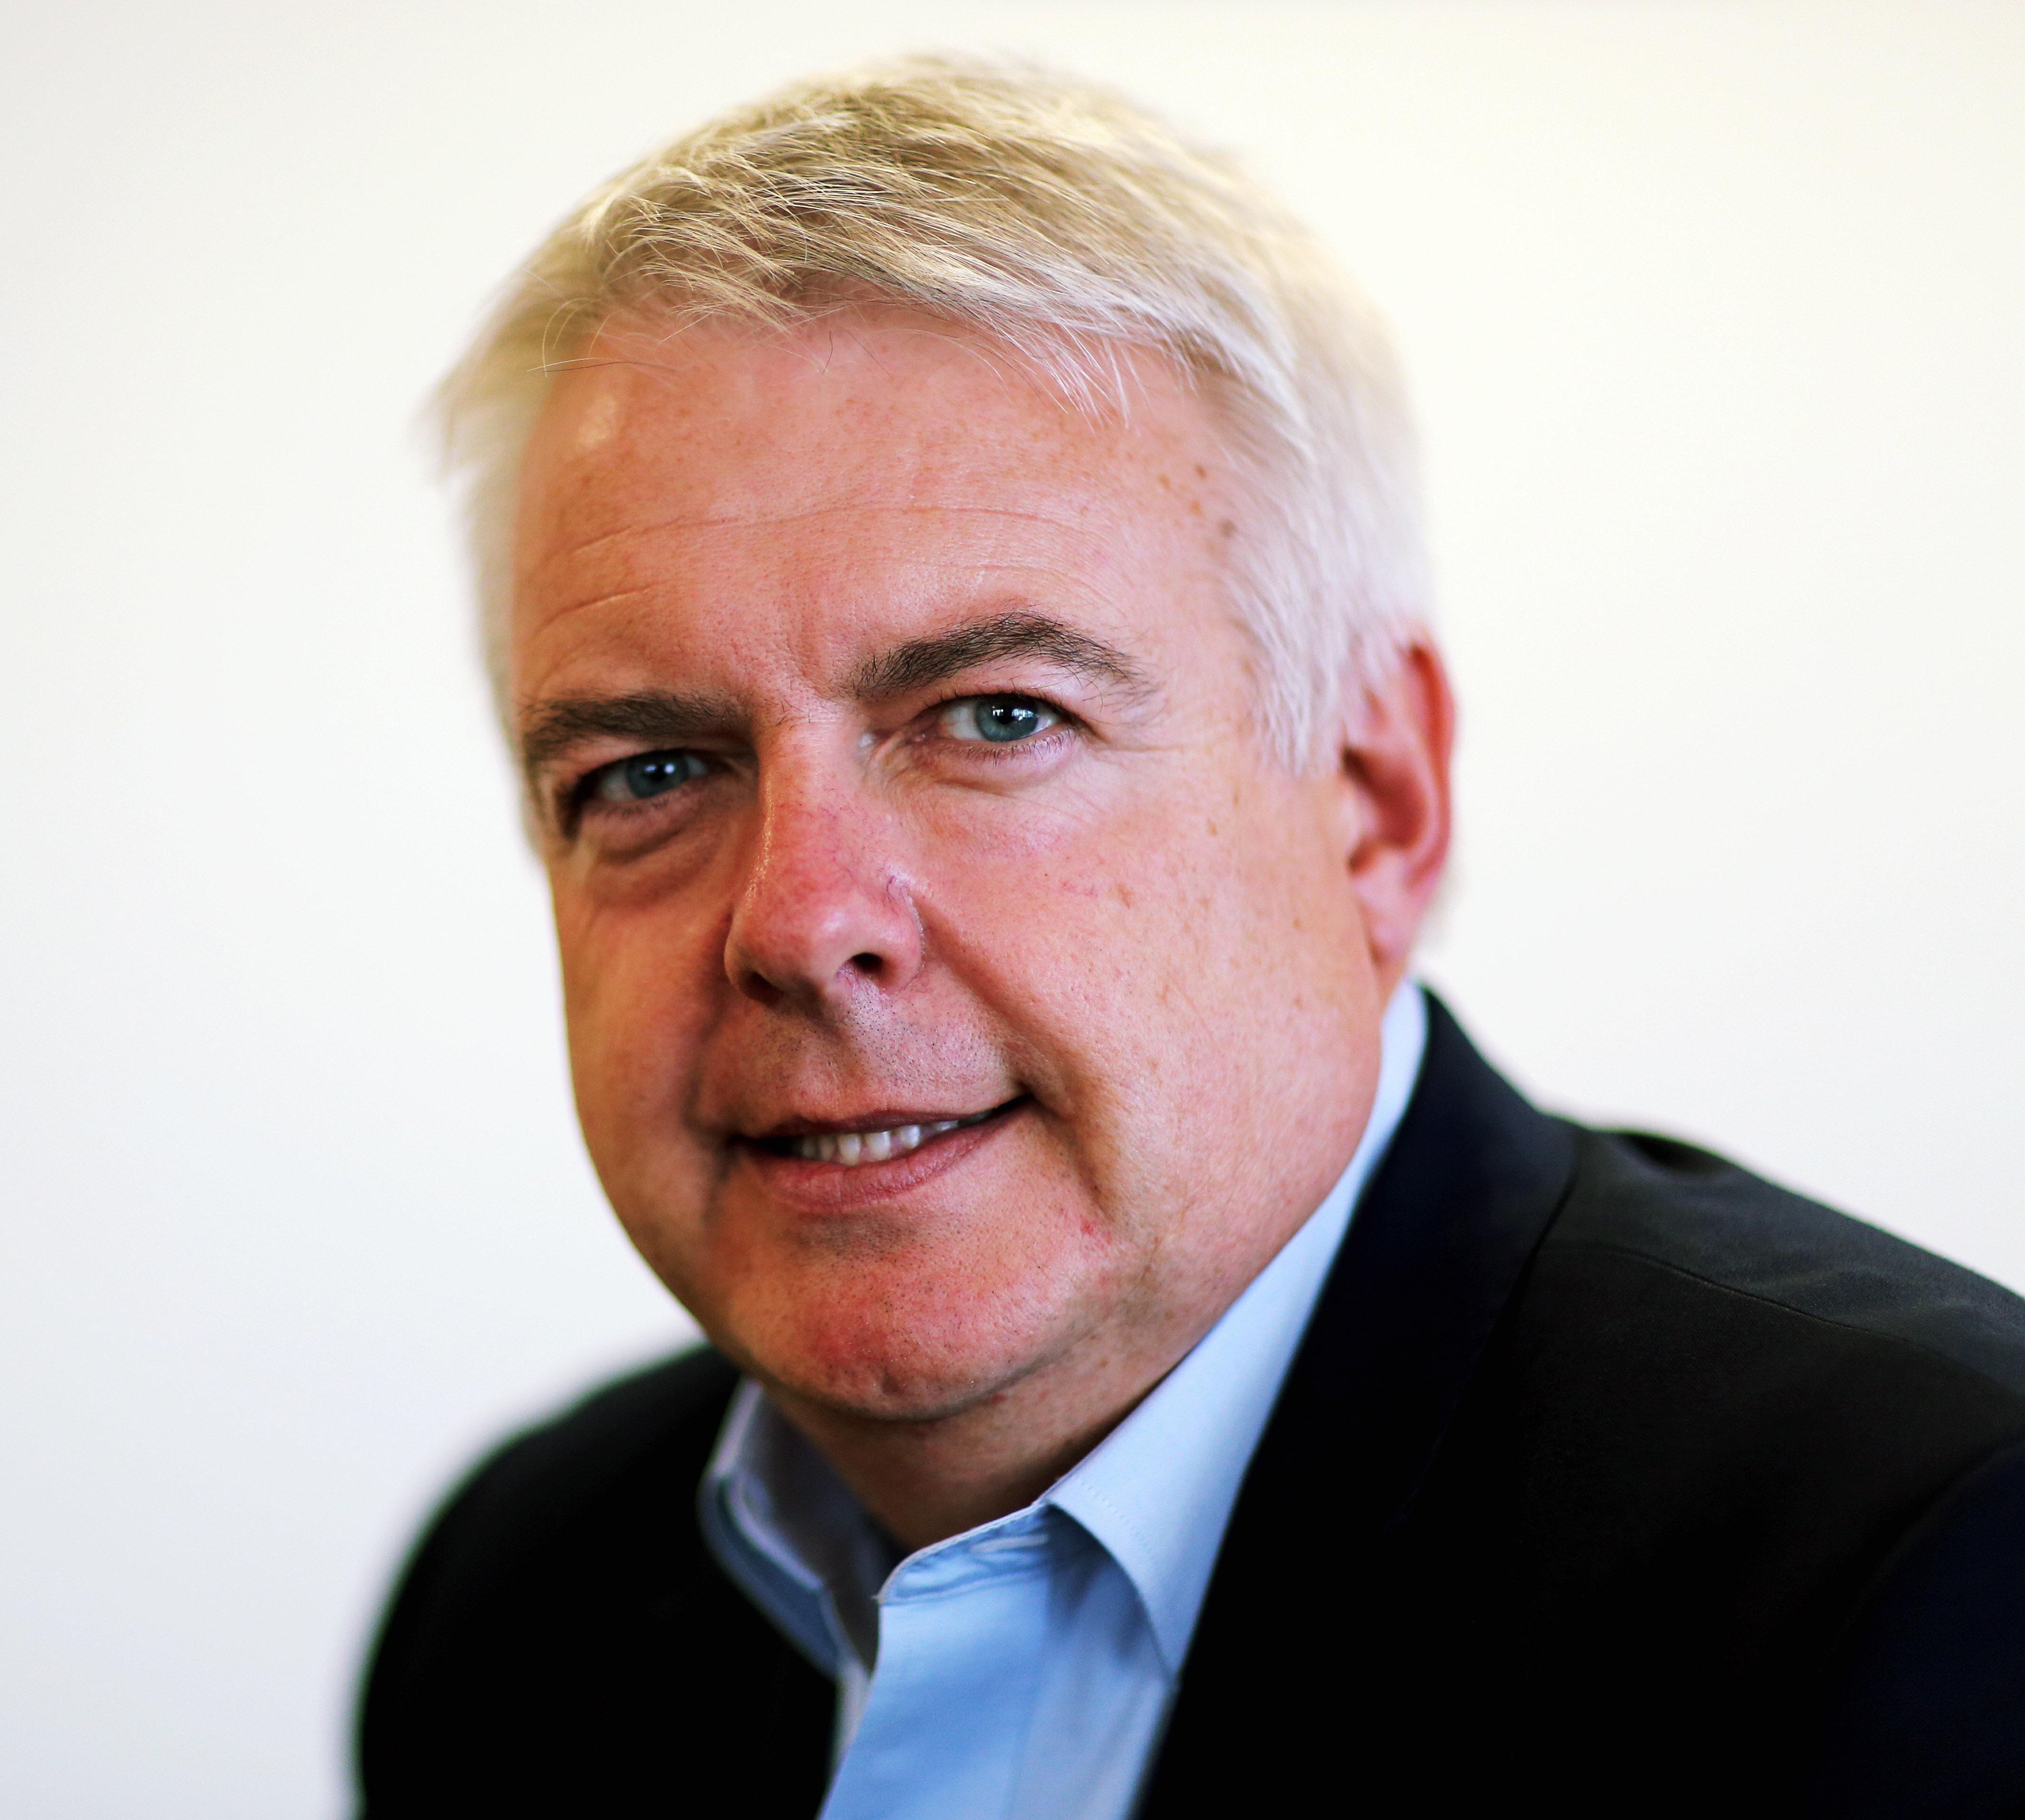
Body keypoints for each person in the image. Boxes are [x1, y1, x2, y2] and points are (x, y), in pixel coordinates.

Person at [355, 56, 2025, 1820]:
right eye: (657, 769)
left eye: (996, 719)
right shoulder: (519, 1605)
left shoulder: (1929, 1580)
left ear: (1374, 800)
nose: (802, 921)